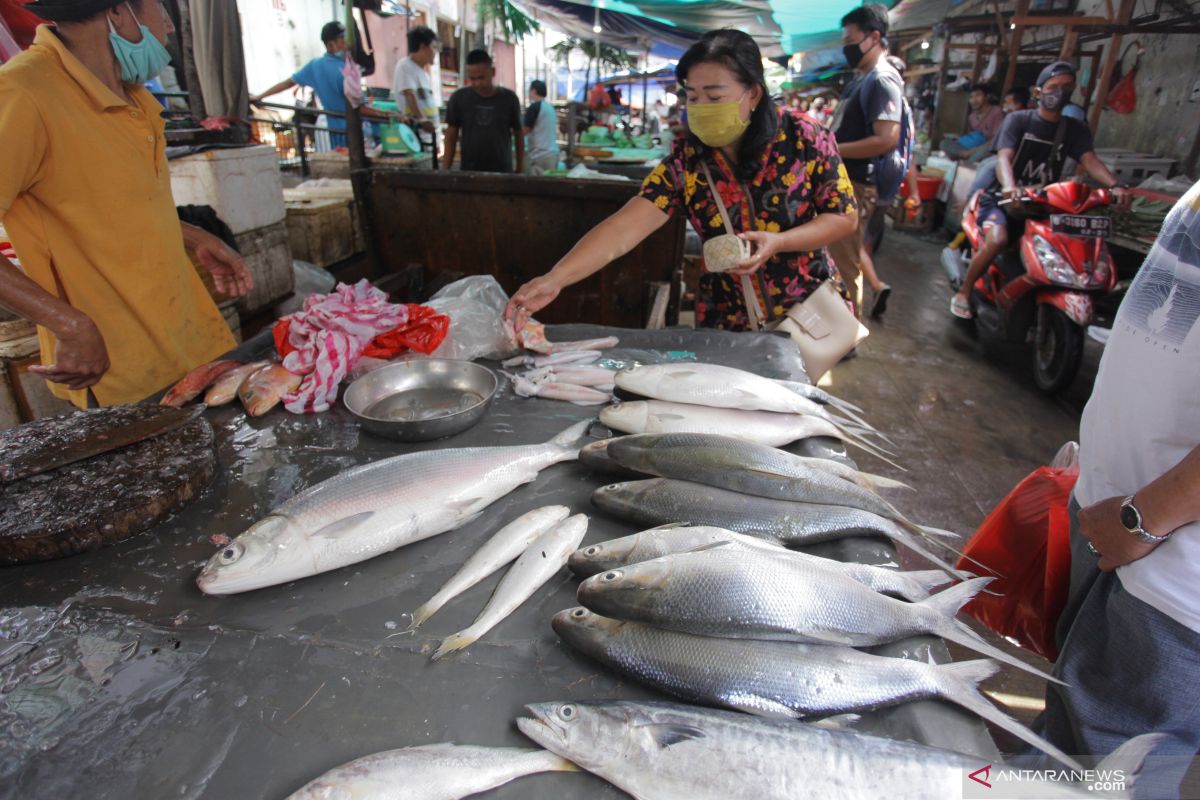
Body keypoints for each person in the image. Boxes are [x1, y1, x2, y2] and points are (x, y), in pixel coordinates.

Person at [504, 29, 857, 332]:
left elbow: (843, 216)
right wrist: (555, 279)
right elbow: (624, 228)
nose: (700, 106)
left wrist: (779, 243)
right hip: (727, 321)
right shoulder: (688, 162)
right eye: (692, 95)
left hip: (807, 314)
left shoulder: (804, 137)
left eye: (714, 96)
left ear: (753, 93)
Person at [0, 0, 252, 407]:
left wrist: (192, 235)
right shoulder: (23, 92)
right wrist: (70, 324)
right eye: (161, 9)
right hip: (123, 374)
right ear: (118, 12)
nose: (168, 26)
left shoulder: (132, 96)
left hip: (190, 348)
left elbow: (107, 207)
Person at [1042, 180, 1200, 799]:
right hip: (1123, 529)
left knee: (1105, 775)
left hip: (1169, 566)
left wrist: (1141, 519)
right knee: (1068, 746)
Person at [949, 61, 1129, 319]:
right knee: (998, 239)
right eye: (1053, 87)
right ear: (1038, 92)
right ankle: (964, 292)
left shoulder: (1074, 129)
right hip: (1002, 200)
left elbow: (1089, 160)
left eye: (1066, 87)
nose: (1059, 92)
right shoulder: (1018, 120)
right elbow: (1003, 158)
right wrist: (1010, 187)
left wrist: (1116, 185)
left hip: (1043, 204)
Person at [827, 3, 904, 318]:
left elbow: (887, 138)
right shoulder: (862, 79)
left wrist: (830, 150)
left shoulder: (882, 79)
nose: (847, 49)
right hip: (844, 181)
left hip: (856, 184)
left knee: (845, 263)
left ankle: (847, 335)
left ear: (874, 37)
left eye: (850, 42)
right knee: (839, 258)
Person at [251, 22, 353, 150]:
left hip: (333, 129)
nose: (347, 44)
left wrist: (260, 96)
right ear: (330, 45)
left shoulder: (316, 65)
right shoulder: (342, 69)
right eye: (342, 40)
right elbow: (288, 83)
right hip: (345, 127)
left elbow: (288, 83)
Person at [443, 49, 524, 173]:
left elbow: (519, 134)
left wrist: (520, 168)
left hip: (502, 171)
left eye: (481, 78)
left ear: (492, 72)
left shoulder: (509, 99)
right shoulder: (459, 98)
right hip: (469, 172)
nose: (477, 83)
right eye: (472, 78)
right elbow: (451, 136)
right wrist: (445, 170)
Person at [392, 24, 439, 157]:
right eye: (433, 47)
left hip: (429, 137)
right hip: (417, 136)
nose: (435, 52)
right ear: (423, 47)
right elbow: (410, 95)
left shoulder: (423, 73)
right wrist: (423, 120)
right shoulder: (405, 66)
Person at [941, 82, 1003, 162]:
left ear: (987, 97)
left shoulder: (996, 112)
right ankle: (964, 156)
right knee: (944, 143)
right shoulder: (972, 116)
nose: (973, 100)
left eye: (978, 95)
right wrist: (959, 138)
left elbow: (996, 139)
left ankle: (965, 161)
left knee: (980, 154)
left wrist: (973, 151)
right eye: (971, 97)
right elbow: (972, 137)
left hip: (988, 147)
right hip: (972, 148)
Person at [523, 79, 559, 175]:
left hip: (540, 156)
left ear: (534, 91)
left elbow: (525, 130)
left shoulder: (535, 107)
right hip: (553, 154)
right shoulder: (550, 108)